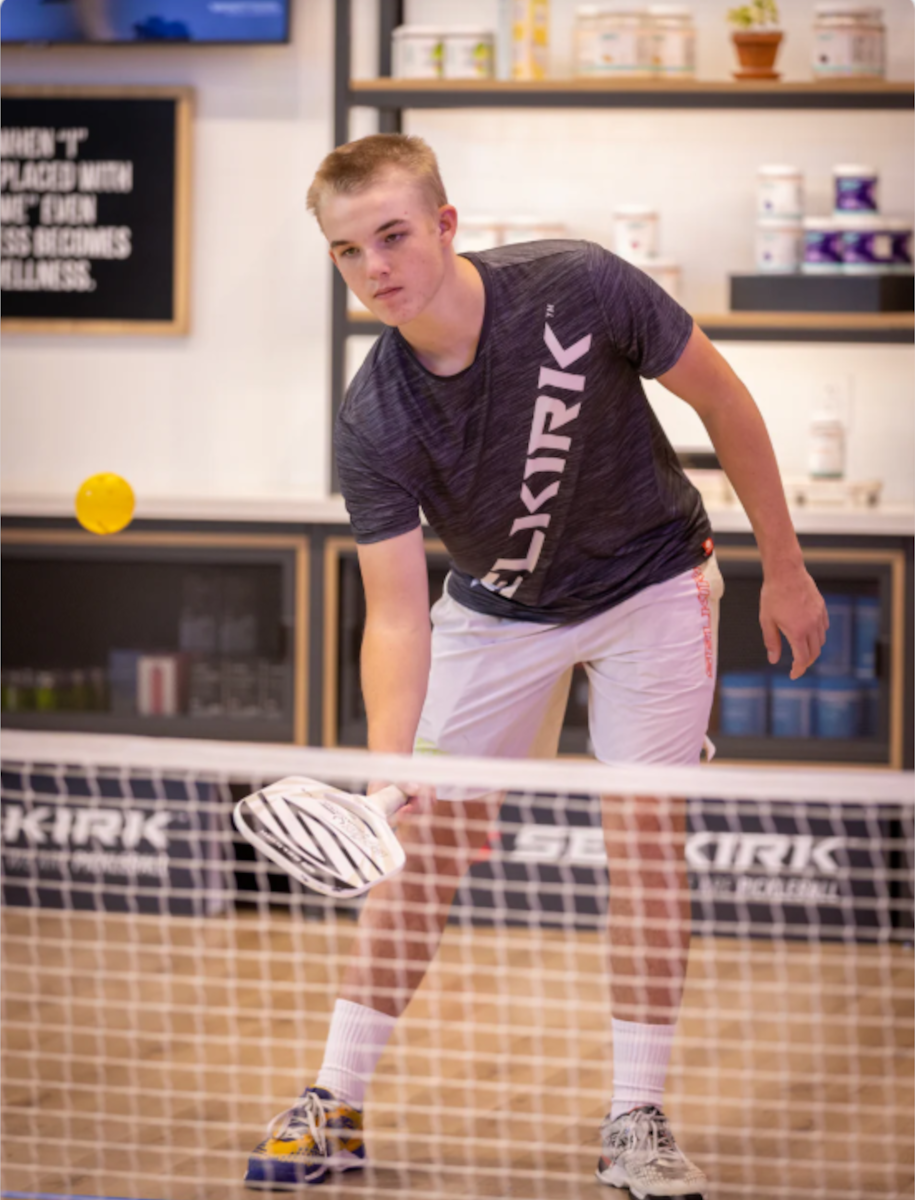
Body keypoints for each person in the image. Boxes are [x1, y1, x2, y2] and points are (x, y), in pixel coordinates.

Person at [245, 134, 827, 1196]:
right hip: (498, 611)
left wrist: (784, 569)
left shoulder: (580, 285)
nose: (375, 267)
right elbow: (395, 613)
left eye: (393, 235)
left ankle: (636, 1121)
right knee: (422, 850)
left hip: (653, 585)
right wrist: (390, 773)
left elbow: (725, 401)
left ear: (446, 225)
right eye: (347, 252)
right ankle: (333, 1100)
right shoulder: (374, 417)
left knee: (645, 839)